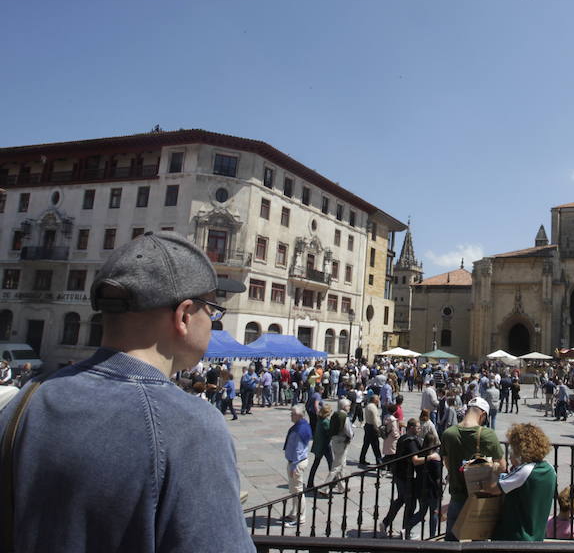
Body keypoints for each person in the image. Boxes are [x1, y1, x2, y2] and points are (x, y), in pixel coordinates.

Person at [0, 230, 253, 551]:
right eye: (211, 309)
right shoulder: (190, 427)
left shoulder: (25, 402)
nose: (212, 320)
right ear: (184, 315)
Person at [440, 397, 507, 541]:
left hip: (457, 496)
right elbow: (502, 466)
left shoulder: (448, 433)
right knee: (479, 542)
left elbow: (447, 463)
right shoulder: (487, 435)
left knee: (451, 542)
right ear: (482, 414)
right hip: (480, 498)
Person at [491, 423, 557, 541]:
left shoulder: (525, 471)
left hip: (516, 537)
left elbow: (493, 489)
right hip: (537, 537)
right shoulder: (550, 470)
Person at [380, 418, 423, 538]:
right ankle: (405, 530)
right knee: (411, 503)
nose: (419, 429)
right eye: (418, 427)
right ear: (411, 428)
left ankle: (386, 523)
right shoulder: (411, 441)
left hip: (399, 474)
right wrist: (431, 458)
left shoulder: (403, 438)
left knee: (401, 500)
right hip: (406, 476)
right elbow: (415, 460)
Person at [408, 432, 443, 539]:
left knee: (421, 512)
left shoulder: (421, 455)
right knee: (434, 513)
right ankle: (432, 536)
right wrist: (440, 490)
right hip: (432, 490)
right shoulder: (435, 459)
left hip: (421, 487)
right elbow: (437, 477)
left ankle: (407, 527)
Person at [284, 404, 313, 526]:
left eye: (293, 414)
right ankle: (294, 512)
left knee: (298, 490)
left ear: (299, 415)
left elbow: (298, 449)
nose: (291, 415)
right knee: (293, 489)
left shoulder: (300, 429)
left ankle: (300, 517)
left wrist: (294, 466)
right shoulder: (301, 426)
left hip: (297, 462)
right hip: (295, 461)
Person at [324, 398, 353, 493]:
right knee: (337, 466)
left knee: (342, 464)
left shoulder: (335, 414)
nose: (349, 407)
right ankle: (325, 487)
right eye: (348, 406)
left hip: (335, 441)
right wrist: (352, 435)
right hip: (342, 442)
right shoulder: (344, 416)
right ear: (344, 407)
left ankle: (341, 487)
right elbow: (349, 432)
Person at [306, 404, 334, 488]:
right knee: (331, 463)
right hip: (324, 445)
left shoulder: (319, 419)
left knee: (316, 464)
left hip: (319, 444)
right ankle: (333, 481)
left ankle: (310, 482)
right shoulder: (325, 421)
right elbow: (330, 432)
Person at [359, 394, 383, 466]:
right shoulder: (373, 407)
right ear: (375, 400)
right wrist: (378, 429)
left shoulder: (368, 405)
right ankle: (379, 461)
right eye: (378, 399)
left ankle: (362, 458)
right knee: (375, 445)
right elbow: (375, 419)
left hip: (368, 426)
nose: (379, 400)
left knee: (366, 444)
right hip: (372, 428)